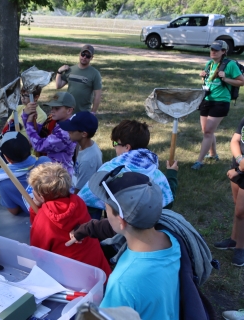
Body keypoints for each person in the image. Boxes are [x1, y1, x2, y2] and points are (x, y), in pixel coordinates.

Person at [87, 169, 180, 319]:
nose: (106, 214)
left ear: (121, 221)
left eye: (107, 209)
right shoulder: (172, 240)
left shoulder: (122, 283)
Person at [28, 162, 111, 277]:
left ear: (41, 197)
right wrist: (37, 208)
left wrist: (37, 208)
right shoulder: (78, 202)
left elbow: (38, 252)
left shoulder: (44, 218)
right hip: (98, 268)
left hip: (71, 278)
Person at [78, 120, 174, 212]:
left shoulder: (109, 170)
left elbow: (86, 198)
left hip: (115, 226)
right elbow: (167, 202)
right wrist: (172, 174)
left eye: (115, 143)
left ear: (127, 147)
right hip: (147, 225)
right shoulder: (156, 173)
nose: (114, 146)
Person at [192, 40, 244, 170]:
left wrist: (226, 78)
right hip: (207, 99)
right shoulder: (209, 63)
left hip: (221, 101)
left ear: (224, 52)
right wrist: (202, 76)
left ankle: (199, 161)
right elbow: (209, 81)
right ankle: (213, 154)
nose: (213, 51)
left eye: (216, 49)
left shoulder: (230, 65)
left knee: (208, 131)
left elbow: (242, 82)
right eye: (212, 49)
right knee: (206, 131)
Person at [0, 131, 51, 215]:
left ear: (7, 158)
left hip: (37, 221)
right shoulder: (47, 162)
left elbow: (14, 210)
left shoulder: (3, 182)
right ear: (29, 146)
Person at [59, 111, 103, 219]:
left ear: (84, 134)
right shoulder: (81, 145)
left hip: (88, 208)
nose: (68, 131)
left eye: (72, 130)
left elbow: (81, 190)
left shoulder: (88, 159)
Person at [22, 92, 77, 175]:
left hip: (59, 176)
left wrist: (29, 123)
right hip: (50, 170)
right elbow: (39, 131)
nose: (52, 110)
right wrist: (27, 115)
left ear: (69, 110)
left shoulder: (66, 132)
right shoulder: (55, 122)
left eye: (57, 108)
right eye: (52, 107)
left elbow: (39, 145)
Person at [219, 117, 244, 266]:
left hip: (239, 171)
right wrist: (240, 160)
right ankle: (234, 240)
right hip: (238, 167)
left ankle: (241, 247)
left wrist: (239, 169)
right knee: (238, 208)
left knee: (242, 212)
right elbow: (235, 140)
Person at [55, 44, 102, 114]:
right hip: (68, 110)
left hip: (83, 112)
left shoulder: (95, 74)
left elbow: (97, 95)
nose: (84, 57)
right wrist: (59, 72)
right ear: (79, 54)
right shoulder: (70, 70)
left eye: (88, 56)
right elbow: (58, 86)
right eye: (83, 54)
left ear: (91, 57)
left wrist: (93, 112)